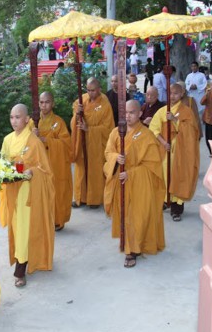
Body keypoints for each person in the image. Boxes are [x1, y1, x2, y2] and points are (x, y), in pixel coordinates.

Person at [104, 100, 166, 268]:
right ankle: (129, 244)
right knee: (125, 216)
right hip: (121, 180)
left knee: (136, 216)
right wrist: (116, 158)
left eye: (131, 112)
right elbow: (108, 152)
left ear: (140, 114)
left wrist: (131, 174)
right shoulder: (116, 132)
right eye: (125, 112)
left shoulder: (146, 135)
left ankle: (131, 251)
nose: (127, 116)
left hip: (139, 183)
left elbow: (153, 166)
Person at [0, 104, 55, 287]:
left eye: (17, 117)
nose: (14, 121)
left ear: (26, 119)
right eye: (11, 117)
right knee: (16, 227)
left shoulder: (34, 142)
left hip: (27, 190)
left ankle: (20, 268)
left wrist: (32, 172)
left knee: (23, 228)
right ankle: (24, 257)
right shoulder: (7, 140)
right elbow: (2, 164)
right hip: (12, 190)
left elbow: (45, 170)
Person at [149, 83, 200, 222]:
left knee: (179, 178)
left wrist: (175, 119)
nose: (172, 96)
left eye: (176, 93)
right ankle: (165, 201)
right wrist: (163, 142)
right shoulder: (162, 111)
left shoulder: (186, 111)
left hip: (181, 150)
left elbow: (192, 131)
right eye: (170, 93)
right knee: (165, 176)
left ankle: (176, 208)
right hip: (165, 150)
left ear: (182, 94)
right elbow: (153, 129)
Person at [72, 78, 115, 208]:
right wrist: (77, 113)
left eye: (93, 90)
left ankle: (95, 198)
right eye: (88, 90)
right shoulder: (82, 100)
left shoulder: (105, 103)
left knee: (95, 170)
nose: (90, 93)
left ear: (99, 89)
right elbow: (74, 119)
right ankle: (81, 197)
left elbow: (108, 128)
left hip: (96, 143)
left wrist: (89, 129)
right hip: (83, 141)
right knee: (81, 169)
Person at [34, 91, 72, 231]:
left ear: (53, 103)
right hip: (39, 163)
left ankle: (57, 219)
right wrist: (32, 135)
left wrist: (46, 140)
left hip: (55, 163)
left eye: (47, 102)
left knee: (57, 190)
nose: (44, 105)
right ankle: (43, 219)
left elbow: (66, 144)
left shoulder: (58, 122)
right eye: (41, 102)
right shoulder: (34, 122)